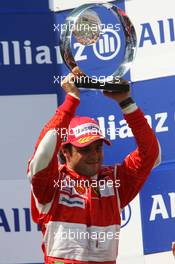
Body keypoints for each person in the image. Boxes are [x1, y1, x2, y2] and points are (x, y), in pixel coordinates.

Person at [27, 67, 161, 264]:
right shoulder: (51, 184)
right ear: (65, 151)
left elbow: (152, 154)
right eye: (85, 149)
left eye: (98, 147)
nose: (95, 156)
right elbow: (43, 152)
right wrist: (71, 99)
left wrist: (126, 103)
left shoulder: (115, 182)